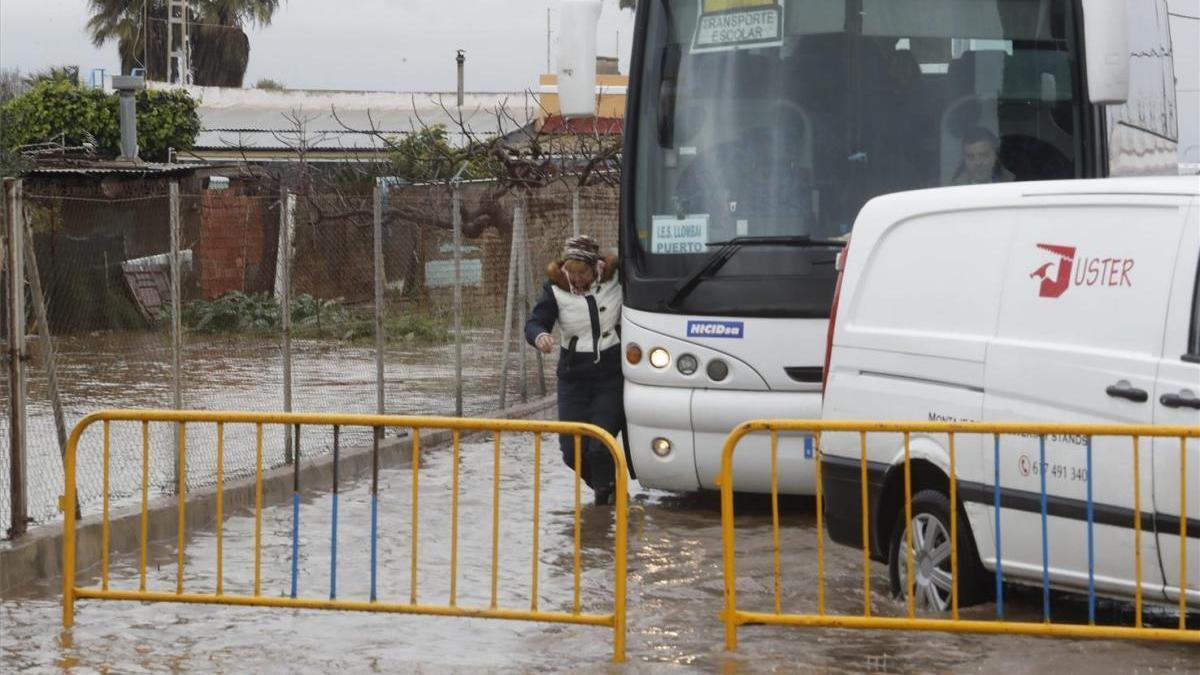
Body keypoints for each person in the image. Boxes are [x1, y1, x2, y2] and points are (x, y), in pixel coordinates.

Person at [524, 235, 624, 505]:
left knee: (599, 447)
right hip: (573, 378)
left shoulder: (616, 280)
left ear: (595, 268)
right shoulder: (555, 289)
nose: (576, 279)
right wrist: (540, 336)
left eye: (582, 273)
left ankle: (606, 508)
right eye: (571, 272)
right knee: (571, 452)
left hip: (611, 375)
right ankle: (610, 490)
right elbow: (535, 322)